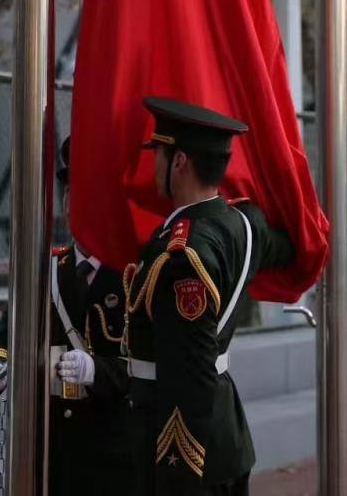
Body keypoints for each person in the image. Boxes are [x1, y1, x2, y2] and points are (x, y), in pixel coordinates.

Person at [124, 96, 294, 496]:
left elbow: (191, 372)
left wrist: (178, 470)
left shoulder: (183, 255)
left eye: (159, 154)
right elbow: (287, 247)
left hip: (186, 451)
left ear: (179, 162)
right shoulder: (245, 224)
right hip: (224, 436)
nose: (154, 163)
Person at [0, 136, 133, 492]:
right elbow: (10, 332)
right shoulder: (47, 270)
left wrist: (98, 370)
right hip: (56, 446)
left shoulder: (134, 272)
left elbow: (151, 364)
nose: (75, 206)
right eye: (70, 196)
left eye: (89, 198)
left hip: (117, 445)